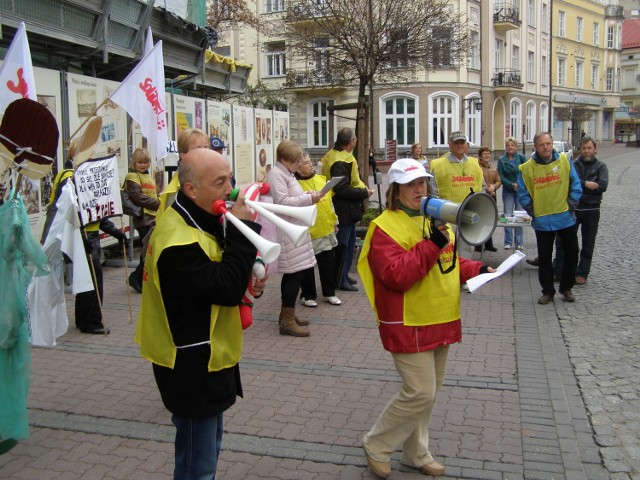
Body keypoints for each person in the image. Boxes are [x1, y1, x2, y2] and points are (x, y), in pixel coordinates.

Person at [357, 158, 494, 479]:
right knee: (419, 392)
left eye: (423, 183)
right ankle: (377, 444)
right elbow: (397, 275)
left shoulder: (434, 222)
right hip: (409, 322)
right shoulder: (384, 228)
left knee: (427, 395)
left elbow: (448, 261)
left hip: (440, 317)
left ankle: (417, 452)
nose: (420, 190)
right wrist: (433, 243)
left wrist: (478, 269)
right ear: (395, 191)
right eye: (411, 185)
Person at [135, 148, 266, 480]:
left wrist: (247, 281)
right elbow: (222, 288)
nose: (230, 189)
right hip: (191, 367)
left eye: (230, 178)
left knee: (209, 450)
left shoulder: (193, 216)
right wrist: (242, 235)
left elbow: (219, 280)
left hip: (207, 358)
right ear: (191, 189)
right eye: (220, 182)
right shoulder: (178, 240)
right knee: (198, 467)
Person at [268, 140, 325, 336]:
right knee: (294, 274)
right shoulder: (277, 174)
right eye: (295, 162)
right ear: (284, 159)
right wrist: (309, 198)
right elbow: (282, 202)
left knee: (294, 273)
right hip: (289, 231)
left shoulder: (286, 172)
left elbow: (293, 195)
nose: (298, 165)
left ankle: (287, 313)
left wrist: (307, 193)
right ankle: (287, 320)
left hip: (296, 229)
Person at [517, 132, 582, 305]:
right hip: (542, 221)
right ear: (535, 147)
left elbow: (575, 185)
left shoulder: (564, 161)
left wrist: (571, 205)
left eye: (548, 143)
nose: (546, 147)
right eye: (542, 144)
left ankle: (566, 287)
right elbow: (522, 194)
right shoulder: (526, 168)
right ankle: (547, 291)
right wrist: (533, 211)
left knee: (572, 252)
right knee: (544, 258)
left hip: (565, 217)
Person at [321, 128, 375, 292]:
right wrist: (363, 193)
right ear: (351, 141)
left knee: (349, 243)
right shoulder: (340, 160)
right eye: (355, 139)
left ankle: (343, 275)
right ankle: (340, 279)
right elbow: (341, 189)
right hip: (342, 208)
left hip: (346, 209)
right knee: (343, 246)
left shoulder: (336, 154)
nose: (356, 141)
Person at [553, 136, 608, 285]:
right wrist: (587, 184)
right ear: (580, 149)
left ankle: (582, 273)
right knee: (563, 241)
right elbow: (569, 182)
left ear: (594, 149)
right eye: (584, 148)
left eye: (589, 148)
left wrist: (581, 186)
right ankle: (559, 270)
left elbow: (602, 185)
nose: (586, 151)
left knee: (588, 243)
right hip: (574, 208)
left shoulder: (601, 167)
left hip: (592, 209)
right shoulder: (573, 164)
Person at [295, 153, 342, 307]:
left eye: (310, 162)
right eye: (306, 163)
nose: (311, 165)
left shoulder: (321, 180)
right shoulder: (295, 186)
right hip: (309, 231)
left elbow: (330, 203)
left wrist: (335, 221)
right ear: (298, 168)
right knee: (308, 266)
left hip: (325, 227)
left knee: (328, 263)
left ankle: (329, 293)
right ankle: (308, 295)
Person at [124, 148, 160, 293]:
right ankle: (137, 277)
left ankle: (140, 277)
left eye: (145, 162)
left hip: (152, 216)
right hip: (143, 218)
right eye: (140, 162)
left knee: (148, 248)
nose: (143, 165)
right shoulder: (132, 176)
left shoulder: (147, 176)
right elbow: (138, 197)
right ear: (134, 162)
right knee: (147, 248)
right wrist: (158, 204)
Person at [158, 128, 210, 216]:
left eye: (206, 148)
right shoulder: (179, 187)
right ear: (183, 155)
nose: (205, 152)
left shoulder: (206, 175)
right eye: (198, 149)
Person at [429, 131, 483, 205]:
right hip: (447, 212)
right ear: (450, 145)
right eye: (456, 143)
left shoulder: (475, 163)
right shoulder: (438, 165)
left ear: (466, 144)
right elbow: (433, 192)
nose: (459, 145)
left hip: (472, 209)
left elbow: (482, 186)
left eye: (462, 143)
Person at [497, 137, 527, 250]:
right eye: (508, 145)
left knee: (520, 216)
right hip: (508, 191)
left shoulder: (522, 158)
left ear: (516, 146)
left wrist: (520, 185)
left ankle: (519, 242)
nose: (510, 147)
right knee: (507, 216)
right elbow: (501, 176)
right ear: (506, 147)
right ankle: (508, 241)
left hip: (520, 191)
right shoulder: (501, 160)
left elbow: (527, 173)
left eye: (512, 145)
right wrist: (511, 185)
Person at [476, 146, 501, 252]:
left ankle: (489, 244)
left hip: (492, 197)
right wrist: (487, 188)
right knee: (479, 220)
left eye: (488, 153)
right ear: (480, 156)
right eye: (484, 154)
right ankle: (478, 244)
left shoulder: (493, 168)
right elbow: (477, 181)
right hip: (481, 197)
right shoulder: (477, 167)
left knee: (489, 220)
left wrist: (494, 187)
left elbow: (499, 180)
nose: (487, 155)